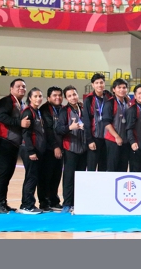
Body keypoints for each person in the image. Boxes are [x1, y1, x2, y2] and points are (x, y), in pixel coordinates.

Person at [0, 78, 28, 214]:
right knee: (2, 174)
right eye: (18, 86)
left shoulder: (22, 103)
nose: (21, 88)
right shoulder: (6, 101)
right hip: (3, 142)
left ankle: (0, 202)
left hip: (14, 144)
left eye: (23, 87)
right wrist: (20, 123)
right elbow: (1, 117)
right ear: (11, 89)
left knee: (7, 174)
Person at [54, 85, 86, 213]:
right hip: (70, 148)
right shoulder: (63, 111)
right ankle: (67, 203)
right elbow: (58, 129)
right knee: (68, 177)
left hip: (84, 148)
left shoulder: (83, 108)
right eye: (69, 96)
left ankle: (78, 202)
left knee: (80, 177)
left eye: (74, 94)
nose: (73, 97)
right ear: (66, 98)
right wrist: (70, 127)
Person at [17, 87, 47, 214]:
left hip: (37, 149)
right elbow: (26, 134)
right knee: (31, 177)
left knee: (34, 177)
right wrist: (31, 151)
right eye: (35, 96)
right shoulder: (28, 112)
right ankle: (26, 205)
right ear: (30, 98)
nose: (38, 98)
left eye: (40, 96)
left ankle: (29, 203)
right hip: (29, 149)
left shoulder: (37, 111)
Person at [37, 86, 63, 212]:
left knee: (56, 176)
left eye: (59, 95)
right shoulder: (44, 110)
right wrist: (55, 146)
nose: (57, 97)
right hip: (48, 149)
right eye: (54, 95)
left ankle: (54, 200)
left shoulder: (62, 109)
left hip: (60, 148)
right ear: (48, 98)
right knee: (45, 176)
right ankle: (44, 202)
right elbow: (48, 131)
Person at [83, 73, 113, 172]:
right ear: (93, 85)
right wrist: (90, 140)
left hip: (107, 139)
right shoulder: (89, 99)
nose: (99, 85)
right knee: (91, 168)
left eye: (101, 82)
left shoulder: (109, 96)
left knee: (103, 168)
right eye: (97, 83)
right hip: (94, 138)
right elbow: (86, 121)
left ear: (104, 83)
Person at [103, 79, 131, 172]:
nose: (122, 90)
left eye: (124, 88)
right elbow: (106, 123)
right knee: (112, 168)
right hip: (113, 140)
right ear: (113, 89)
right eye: (119, 87)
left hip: (125, 141)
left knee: (123, 168)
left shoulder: (127, 102)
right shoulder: (109, 103)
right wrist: (116, 136)